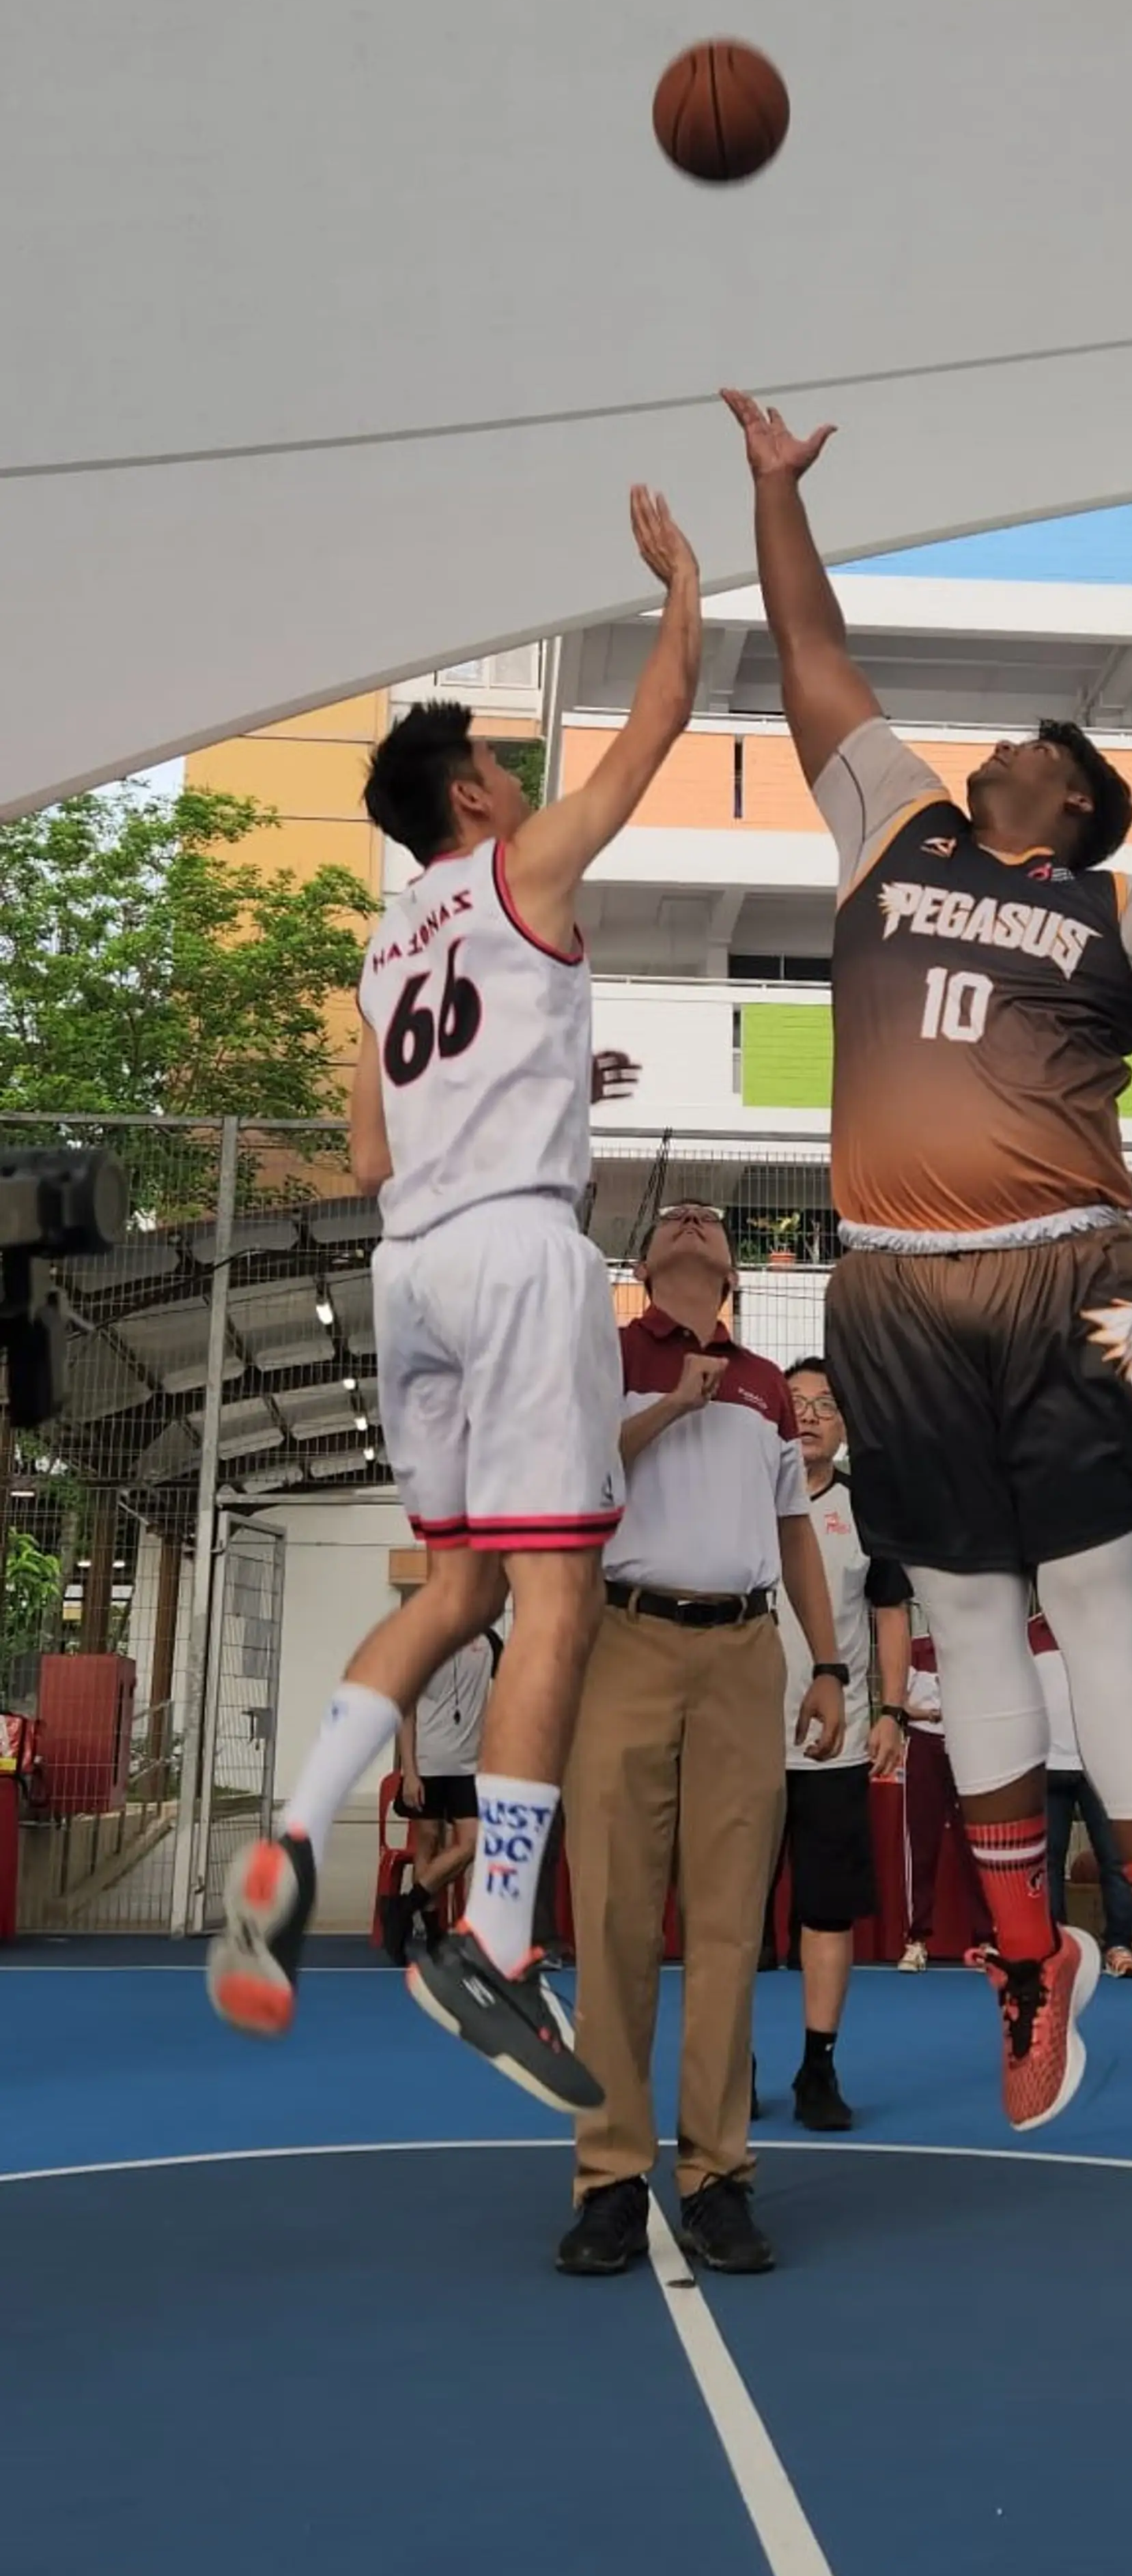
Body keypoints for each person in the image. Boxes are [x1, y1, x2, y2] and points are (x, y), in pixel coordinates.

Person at [724, 384, 1132, 2132]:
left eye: (1028, 749)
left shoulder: (1103, 903)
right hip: (892, 1284)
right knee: (968, 1628)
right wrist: (774, 492)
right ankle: (1019, 1962)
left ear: (1066, 799)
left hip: (1066, 1278)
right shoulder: (890, 828)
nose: (991, 747)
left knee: (1093, 1626)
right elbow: (809, 646)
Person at [208, 485, 702, 2113]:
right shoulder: (521, 866)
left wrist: (546, 1079)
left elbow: (363, 1149)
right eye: (501, 762)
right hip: (511, 1255)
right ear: (475, 792)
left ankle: (287, 1835)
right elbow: (655, 732)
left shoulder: (381, 948)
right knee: (556, 1597)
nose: (519, 776)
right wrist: (685, 585)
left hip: (408, 1266)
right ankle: (495, 1931)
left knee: (464, 1589)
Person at [556, 1202, 845, 2278]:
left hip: (741, 1653)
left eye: (709, 1222)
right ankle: (611, 2181)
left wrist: (828, 1663)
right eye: (673, 1218)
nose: (692, 1221)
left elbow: (794, 1536)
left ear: (728, 1271)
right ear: (647, 1264)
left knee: (728, 1927)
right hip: (624, 1640)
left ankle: (719, 2173)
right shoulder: (607, 1358)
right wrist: (671, 1406)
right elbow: (575, 1485)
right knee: (617, 1917)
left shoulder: (772, 1384)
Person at [775, 1358, 910, 2130]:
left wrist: (890, 1709)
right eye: (795, 1402)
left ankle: (816, 2068)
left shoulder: (868, 1510)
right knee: (730, 1917)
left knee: (826, 1912)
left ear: (846, 1425)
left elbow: (891, 1614)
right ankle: (732, 2059)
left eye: (826, 1404)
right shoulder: (744, 1501)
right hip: (741, 1745)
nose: (810, 1414)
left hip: (837, 1746)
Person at [1029, 1609, 1132, 1978]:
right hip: (1046, 1766)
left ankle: (1120, 1946)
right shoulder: (1028, 1633)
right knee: (1047, 1864)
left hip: (1102, 1767)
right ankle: (1056, 1948)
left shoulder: (1106, 1627)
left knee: (1116, 1860)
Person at [380, 1625, 500, 1965]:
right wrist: (410, 1772)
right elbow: (407, 1712)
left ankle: (404, 1907)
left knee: (471, 1844)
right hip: (428, 1762)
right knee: (429, 1841)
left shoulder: (490, 1643)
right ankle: (433, 1933)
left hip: (470, 1767)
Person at [897, 1630, 991, 1969]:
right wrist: (932, 1714)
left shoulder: (976, 1648)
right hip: (924, 1745)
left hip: (968, 1744)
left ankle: (986, 1938)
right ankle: (917, 1939)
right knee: (921, 1843)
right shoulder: (916, 1649)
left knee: (976, 1844)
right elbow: (899, 1703)